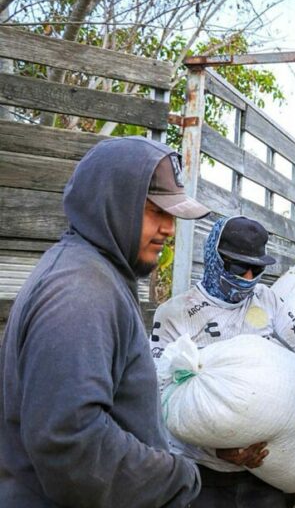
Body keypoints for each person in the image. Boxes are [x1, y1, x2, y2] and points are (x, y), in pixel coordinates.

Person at [0, 136, 206, 506]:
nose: (170, 228)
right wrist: (175, 477)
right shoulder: (82, 292)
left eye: (171, 214)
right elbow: (69, 439)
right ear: (113, 204)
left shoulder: (95, 274)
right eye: (155, 211)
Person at [151, 215, 295, 507]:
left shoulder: (266, 300)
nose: (248, 278)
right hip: (200, 473)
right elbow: (161, 400)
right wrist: (217, 451)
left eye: (257, 268)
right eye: (238, 267)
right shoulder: (176, 314)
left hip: (266, 469)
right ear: (213, 257)